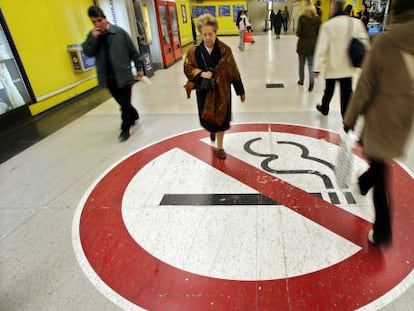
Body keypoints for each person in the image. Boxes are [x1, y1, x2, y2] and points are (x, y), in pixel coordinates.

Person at [343, 0, 414, 246]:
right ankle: (363, 183)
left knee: (381, 170)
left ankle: (383, 231)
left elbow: (365, 87)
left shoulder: (385, 42)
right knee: (380, 163)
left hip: (381, 116)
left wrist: (350, 118)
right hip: (404, 118)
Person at [184, 13, 246, 159]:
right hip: (204, 91)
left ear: (215, 32)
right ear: (201, 34)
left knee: (222, 120)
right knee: (209, 120)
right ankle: (212, 130)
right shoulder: (195, 51)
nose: (207, 38)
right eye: (204, 34)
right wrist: (200, 73)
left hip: (222, 92)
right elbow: (188, 67)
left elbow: (233, 71)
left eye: (210, 34)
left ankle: (220, 147)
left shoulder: (225, 50)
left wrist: (240, 91)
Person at [82, 6, 143, 141]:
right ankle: (134, 115)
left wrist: (139, 68)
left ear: (105, 18)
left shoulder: (119, 33)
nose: (98, 24)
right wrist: (93, 38)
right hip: (108, 78)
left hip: (124, 75)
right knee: (123, 103)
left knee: (125, 104)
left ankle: (125, 129)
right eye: (94, 22)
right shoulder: (92, 36)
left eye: (99, 20)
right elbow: (88, 52)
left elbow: (133, 51)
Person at [313, 0, 369, 118]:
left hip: (332, 65)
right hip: (348, 66)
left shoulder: (327, 26)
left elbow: (322, 48)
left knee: (329, 89)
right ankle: (346, 116)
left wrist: (317, 67)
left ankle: (324, 108)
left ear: (333, 9)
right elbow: (365, 42)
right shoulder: (356, 23)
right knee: (346, 93)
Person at [296, 4, 321, 91]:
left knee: (301, 64)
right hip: (312, 45)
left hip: (302, 44)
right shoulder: (317, 19)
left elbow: (298, 33)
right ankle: (311, 81)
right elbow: (319, 32)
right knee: (311, 64)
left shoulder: (302, 18)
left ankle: (301, 80)